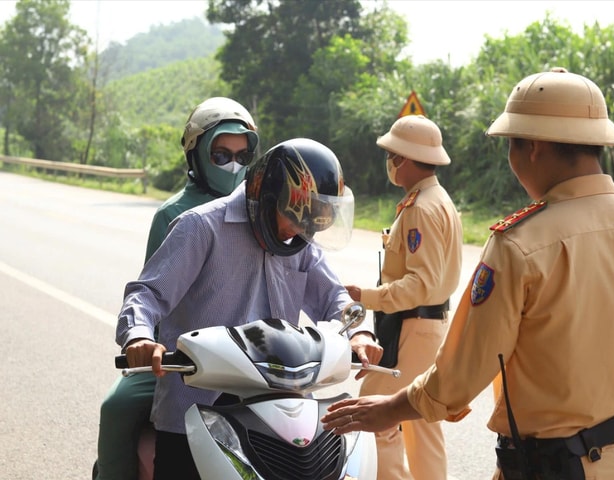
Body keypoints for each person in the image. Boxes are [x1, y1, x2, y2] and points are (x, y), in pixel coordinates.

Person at [322, 68, 614, 479]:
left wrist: (388, 409)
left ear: (531, 146)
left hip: (549, 467)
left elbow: (461, 375)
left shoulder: (520, 243)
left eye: (510, 146)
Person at [116, 137, 383, 479]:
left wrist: (359, 333)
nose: (296, 233)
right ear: (266, 196)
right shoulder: (201, 226)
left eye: (309, 225)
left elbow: (335, 298)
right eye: (292, 219)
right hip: (196, 411)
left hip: (274, 413)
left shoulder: (300, 241)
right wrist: (138, 335)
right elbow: (147, 293)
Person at [95, 97, 259, 480]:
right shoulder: (176, 216)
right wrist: (143, 341)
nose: (233, 165)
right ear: (197, 155)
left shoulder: (261, 210)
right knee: (116, 409)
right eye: (221, 155)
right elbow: (152, 295)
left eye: (241, 155)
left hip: (253, 362)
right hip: (185, 361)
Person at [343, 114, 463, 480]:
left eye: (392, 155)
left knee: (372, 413)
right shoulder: (435, 199)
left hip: (413, 327)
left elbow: (420, 284)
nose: (390, 163)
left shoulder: (422, 209)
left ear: (406, 160)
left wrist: (366, 297)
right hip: (425, 326)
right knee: (421, 419)